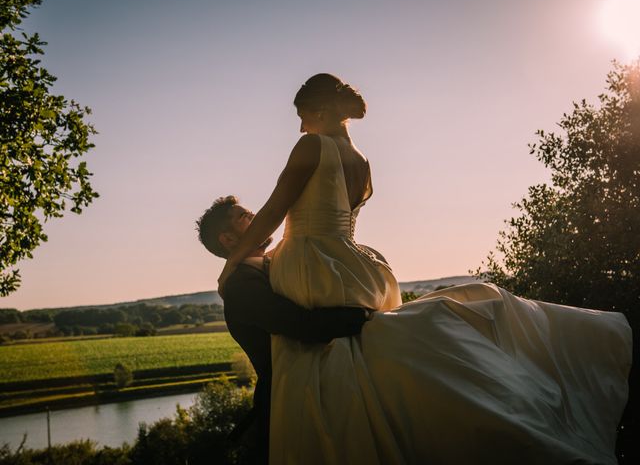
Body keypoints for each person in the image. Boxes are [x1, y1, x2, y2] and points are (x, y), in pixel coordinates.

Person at [213, 74, 631, 464]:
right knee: (358, 360)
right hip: (354, 262)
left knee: (318, 369)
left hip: (311, 260)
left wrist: (232, 263)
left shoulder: (311, 147)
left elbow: (272, 212)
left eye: (303, 117)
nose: (301, 128)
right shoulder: (363, 161)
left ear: (319, 111)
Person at [196, 196, 370, 463]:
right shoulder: (241, 286)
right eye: (246, 217)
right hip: (292, 407)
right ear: (228, 240)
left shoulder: (278, 263)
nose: (258, 219)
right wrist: (367, 315)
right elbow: (304, 325)